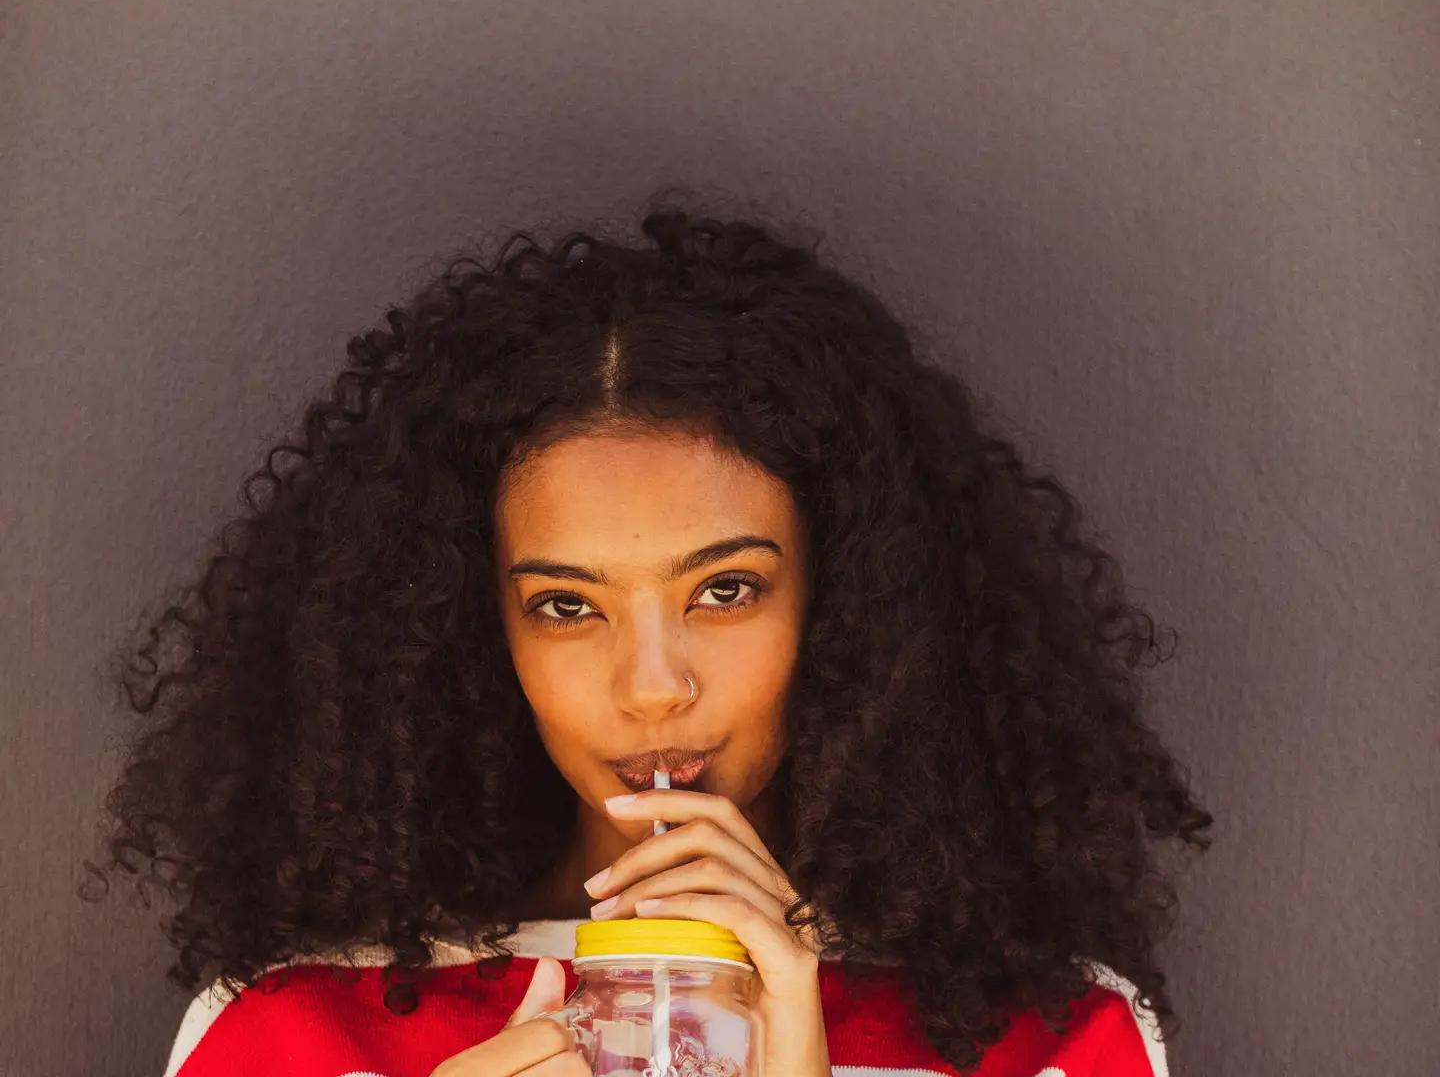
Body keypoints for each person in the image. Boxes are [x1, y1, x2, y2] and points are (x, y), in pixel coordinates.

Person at [83, 204, 1213, 1077]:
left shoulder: (1053, 1037)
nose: (654, 686)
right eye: (567, 606)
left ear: (852, 608)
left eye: (724, 590)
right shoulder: (293, 1032)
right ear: (476, 638)